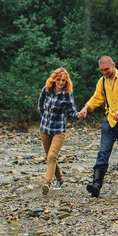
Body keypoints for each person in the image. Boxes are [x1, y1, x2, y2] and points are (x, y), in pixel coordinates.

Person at [77, 55, 118, 197]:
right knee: (103, 152)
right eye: (101, 71)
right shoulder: (102, 81)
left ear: (113, 65)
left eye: (106, 70)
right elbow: (96, 98)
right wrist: (86, 108)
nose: (104, 73)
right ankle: (96, 185)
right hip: (109, 121)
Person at [37, 67, 77, 195]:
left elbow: (72, 111)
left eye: (63, 80)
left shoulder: (67, 94)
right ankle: (60, 179)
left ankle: (47, 183)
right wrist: (44, 117)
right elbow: (40, 104)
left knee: (52, 156)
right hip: (45, 129)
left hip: (59, 130)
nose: (61, 82)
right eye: (58, 80)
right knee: (50, 157)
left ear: (66, 81)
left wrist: (79, 115)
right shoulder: (47, 90)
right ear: (54, 80)